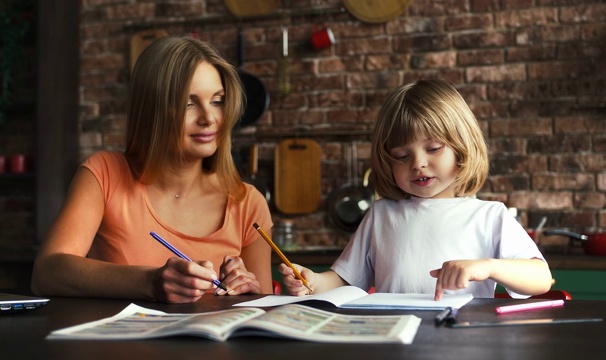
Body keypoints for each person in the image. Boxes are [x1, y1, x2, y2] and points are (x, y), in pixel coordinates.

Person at [31, 36, 273, 303]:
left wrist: (249, 290)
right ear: (153, 110)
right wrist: (151, 282)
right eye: (188, 104)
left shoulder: (249, 203)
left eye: (217, 101)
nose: (209, 118)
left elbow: (262, 312)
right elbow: (46, 272)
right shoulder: (104, 174)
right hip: (119, 345)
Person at [279, 79, 552, 300]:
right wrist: (312, 281)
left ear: (462, 147)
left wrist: (490, 267)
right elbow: (345, 280)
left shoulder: (489, 216)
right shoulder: (381, 214)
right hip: (392, 339)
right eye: (401, 156)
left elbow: (541, 278)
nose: (418, 164)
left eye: (433, 149)